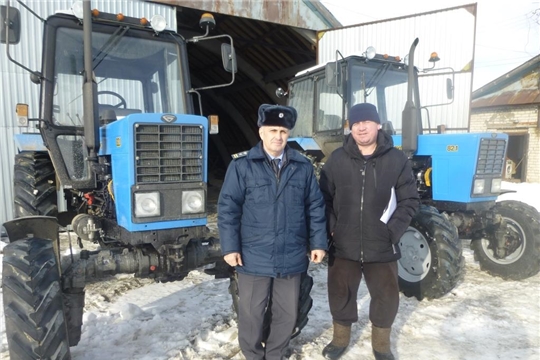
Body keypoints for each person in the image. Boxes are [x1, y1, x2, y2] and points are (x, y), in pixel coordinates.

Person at [218, 104, 328, 360]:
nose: (278, 136)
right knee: (251, 314)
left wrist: (318, 243)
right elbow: (228, 208)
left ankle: (276, 354)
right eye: (272, 130)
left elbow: (315, 207)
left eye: (283, 131)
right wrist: (230, 247)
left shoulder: (302, 167)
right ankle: (254, 356)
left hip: (292, 255)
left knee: (287, 314)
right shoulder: (242, 166)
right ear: (261, 132)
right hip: (253, 254)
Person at [319, 103, 420, 360]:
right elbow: (323, 198)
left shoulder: (396, 160)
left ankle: (381, 346)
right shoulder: (337, 159)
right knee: (340, 293)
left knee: (385, 295)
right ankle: (340, 339)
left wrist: (392, 232)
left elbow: (409, 201)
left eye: (366, 122)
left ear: (377, 124)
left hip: (382, 244)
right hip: (344, 243)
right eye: (355, 124)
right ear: (350, 128)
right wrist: (332, 229)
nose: (361, 127)